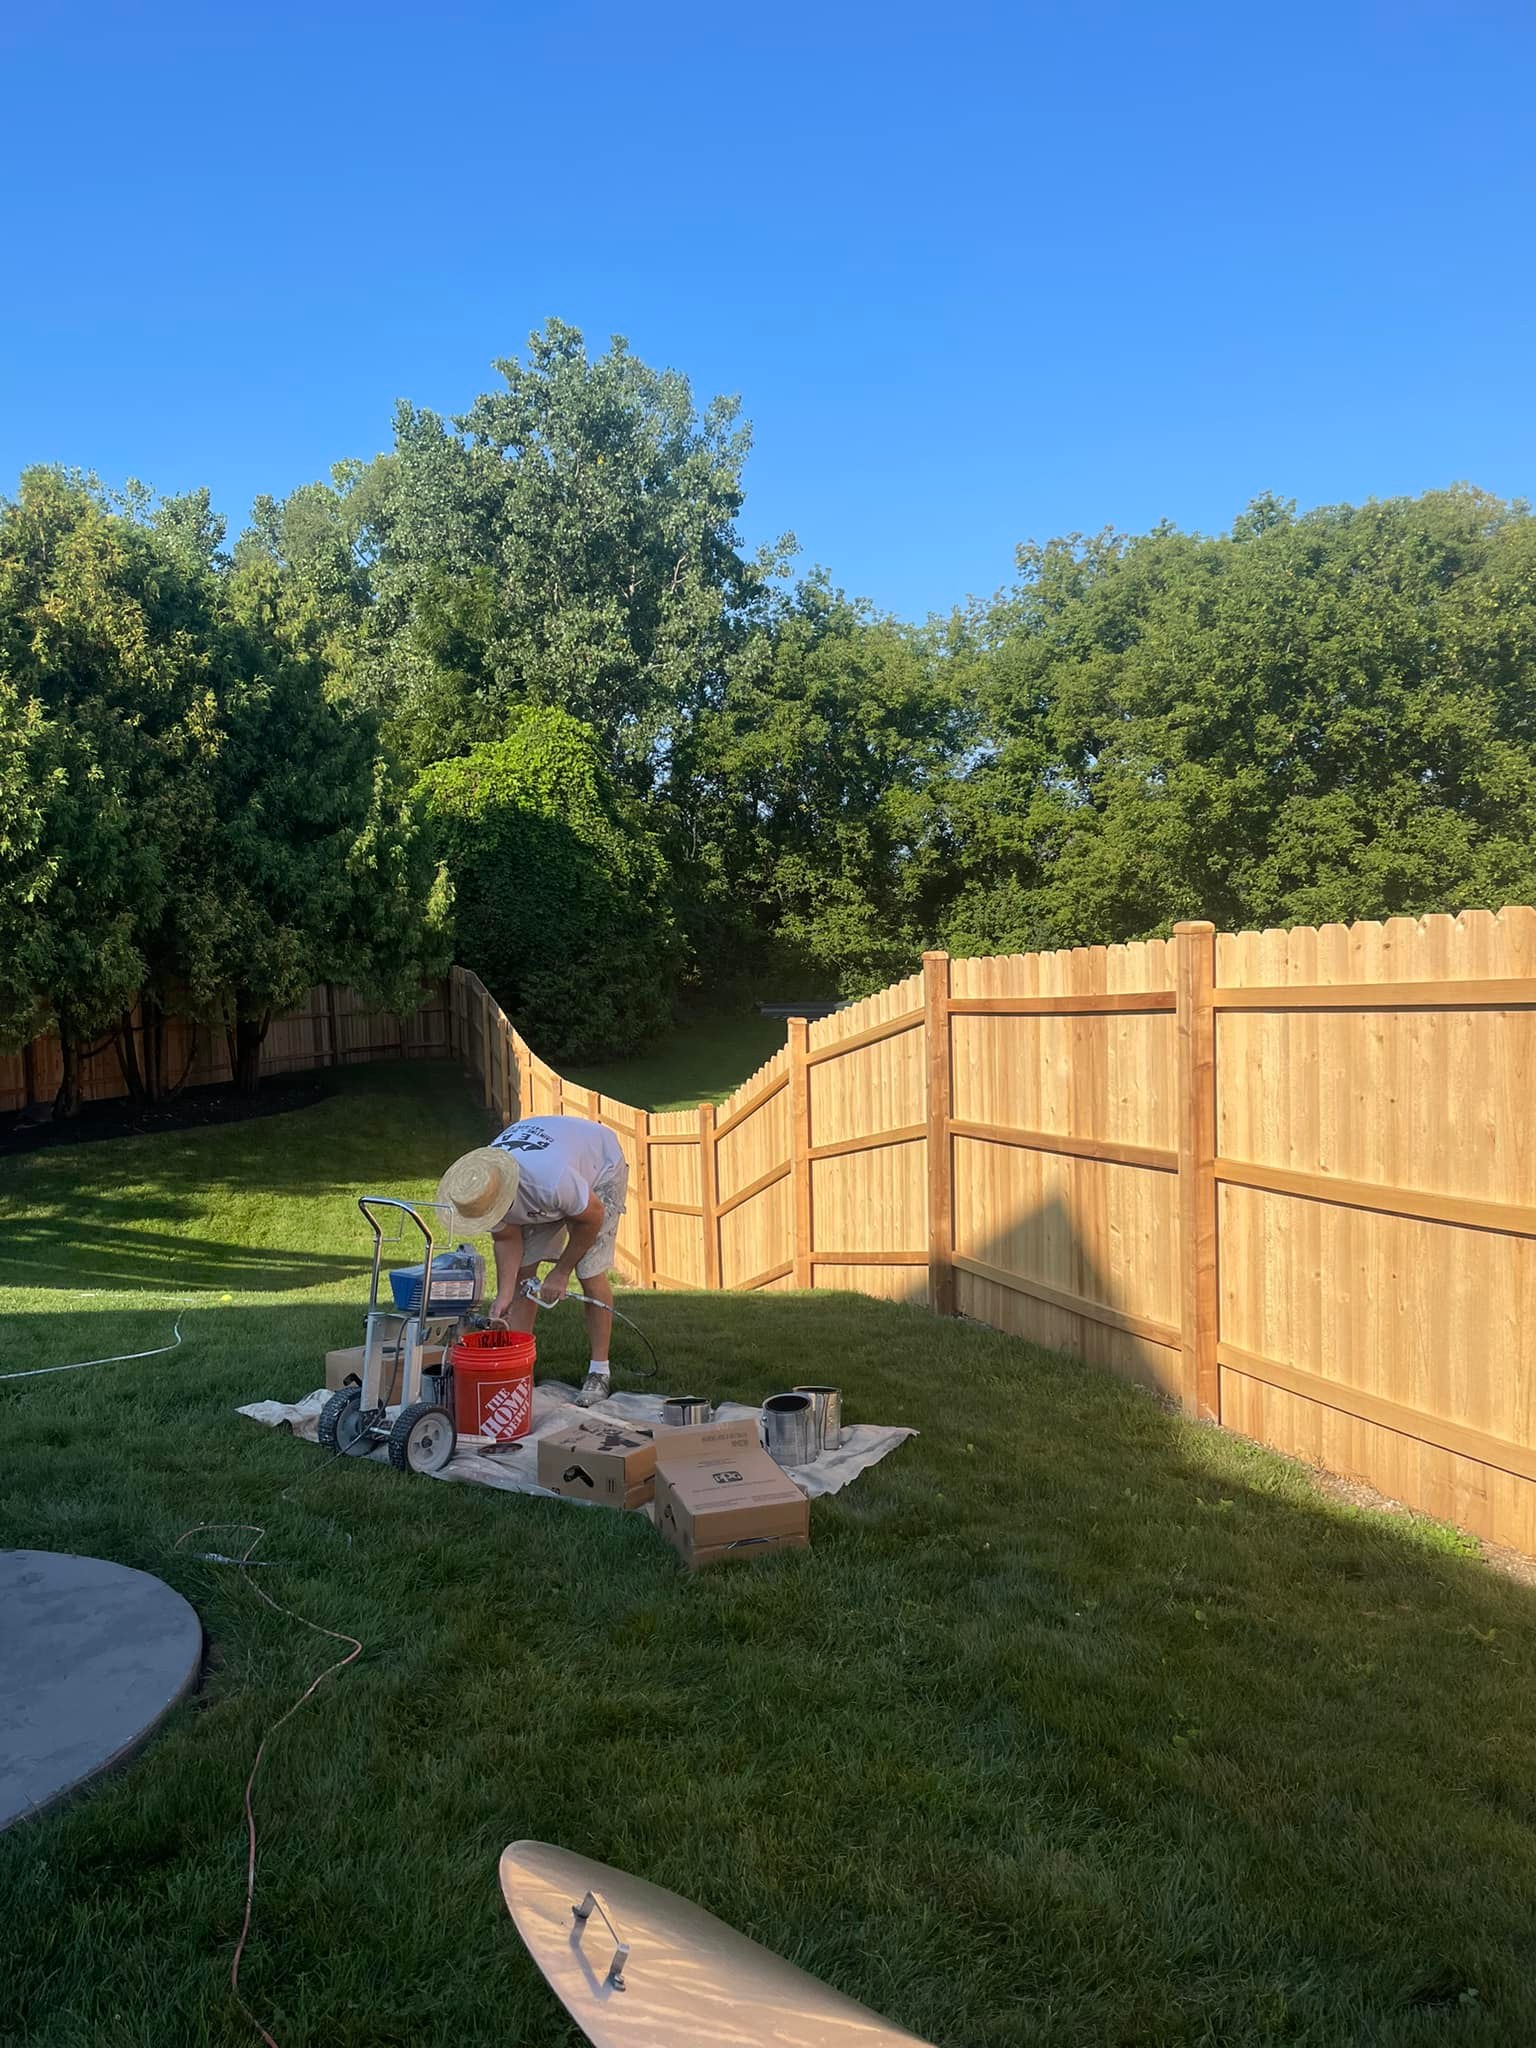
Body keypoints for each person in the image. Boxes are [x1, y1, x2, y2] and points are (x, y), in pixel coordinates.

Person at [435, 1114, 629, 1407]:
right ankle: (519, 1371)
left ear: (504, 1195)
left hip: (599, 1164)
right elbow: (507, 1239)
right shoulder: (481, 1190)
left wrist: (561, 1272)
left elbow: (592, 1217)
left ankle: (599, 1371)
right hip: (547, 1182)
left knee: (589, 1270)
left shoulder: (549, 1181)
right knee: (523, 1279)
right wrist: (504, 1295)